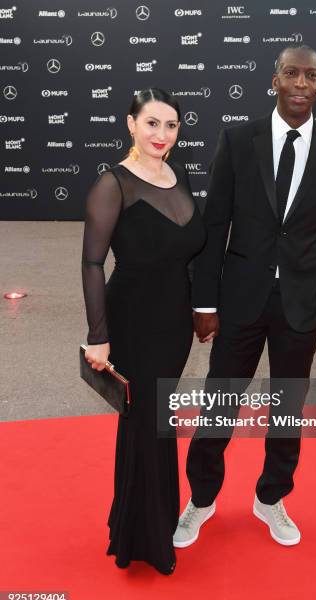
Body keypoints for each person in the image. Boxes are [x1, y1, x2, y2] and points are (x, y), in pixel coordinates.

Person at [173, 45, 316, 548]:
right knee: (220, 403)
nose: (302, 84)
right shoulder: (238, 140)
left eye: (313, 76)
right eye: (292, 74)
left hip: (303, 301)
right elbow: (216, 226)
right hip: (240, 298)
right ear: (274, 79)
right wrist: (205, 303)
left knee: (286, 407)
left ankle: (271, 498)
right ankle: (201, 500)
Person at [81, 88, 206, 574]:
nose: (162, 134)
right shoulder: (113, 184)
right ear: (131, 123)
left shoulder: (181, 176)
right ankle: (147, 538)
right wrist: (98, 334)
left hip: (173, 322)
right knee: (149, 422)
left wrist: (201, 309)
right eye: (152, 123)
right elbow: (93, 263)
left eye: (171, 125)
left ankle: (134, 524)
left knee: (152, 422)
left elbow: (190, 251)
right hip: (132, 319)